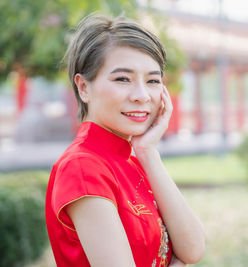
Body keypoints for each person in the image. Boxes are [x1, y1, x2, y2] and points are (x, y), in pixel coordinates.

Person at [45, 13, 206, 267]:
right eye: (123, 79)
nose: (142, 96)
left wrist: (148, 152)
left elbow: (193, 249)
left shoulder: (134, 157)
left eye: (152, 81)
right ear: (84, 87)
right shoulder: (83, 168)